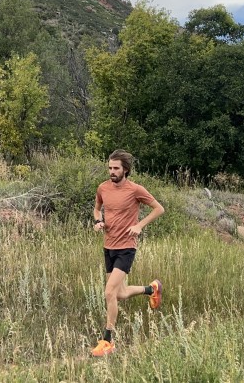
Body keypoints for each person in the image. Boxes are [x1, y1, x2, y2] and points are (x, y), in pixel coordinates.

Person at [90, 149, 165, 357]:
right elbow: (97, 209)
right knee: (119, 294)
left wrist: (139, 225)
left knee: (109, 293)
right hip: (109, 245)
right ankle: (152, 289)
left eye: (116, 168)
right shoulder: (103, 188)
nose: (112, 172)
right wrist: (98, 221)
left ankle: (107, 340)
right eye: (110, 168)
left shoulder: (135, 190)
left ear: (125, 170)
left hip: (126, 247)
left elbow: (159, 209)